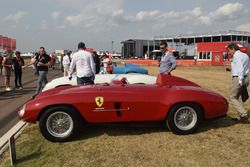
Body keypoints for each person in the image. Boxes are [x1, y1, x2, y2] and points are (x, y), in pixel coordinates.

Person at [226, 43, 249, 121]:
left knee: (232, 97)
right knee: (239, 97)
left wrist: (239, 80)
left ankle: (243, 114)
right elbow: (242, 67)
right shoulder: (245, 55)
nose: (228, 53)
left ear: (233, 49)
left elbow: (240, 68)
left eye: (229, 50)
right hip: (246, 78)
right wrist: (231, 69)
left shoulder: (236, 56)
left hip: (239, 78)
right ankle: (240, 117)